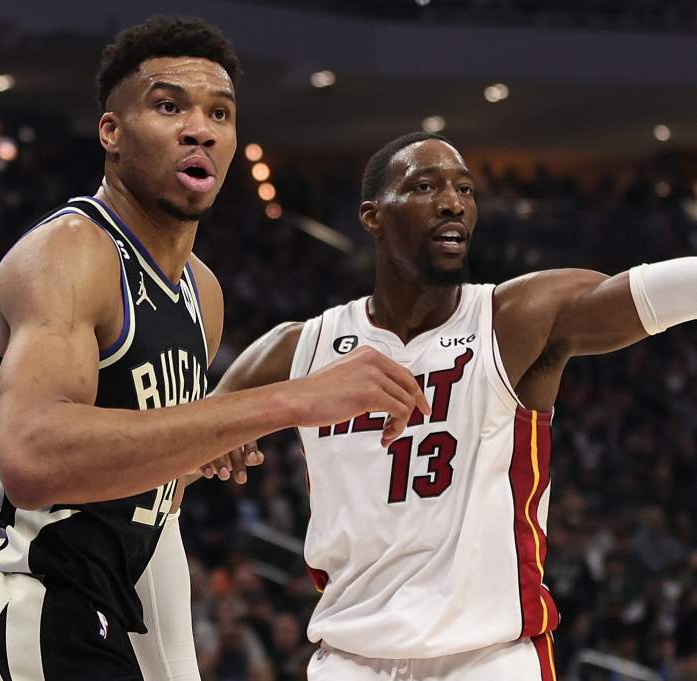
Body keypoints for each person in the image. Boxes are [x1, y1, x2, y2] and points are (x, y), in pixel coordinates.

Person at [0, 19, 429, 681]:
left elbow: (133, 482)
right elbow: (34, 457)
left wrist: (197, 448)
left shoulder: (201, 292)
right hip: (22, 605)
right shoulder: (70, 252)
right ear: (112, 133)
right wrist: (292, 399)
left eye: (219, 112)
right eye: (169, 106)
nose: (200, 128)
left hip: (97, 611)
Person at [211, 131, 697, 680]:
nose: (452, 202)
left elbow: (632, 298)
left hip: (488, 659)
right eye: (424, 186)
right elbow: (188, 440)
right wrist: (225, 431)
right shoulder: (301, 347)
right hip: (348, 659)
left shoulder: (513, 317)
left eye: (464, 189)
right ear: (372, 217)